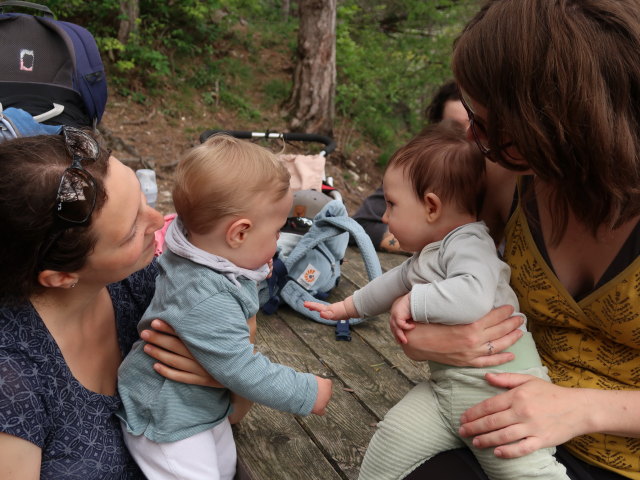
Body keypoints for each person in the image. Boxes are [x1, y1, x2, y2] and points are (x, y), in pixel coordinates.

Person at [399, 1, 640, 479]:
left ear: (571, 126)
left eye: (492, 127)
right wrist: (423, 335)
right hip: (505, 426)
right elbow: (436, 264)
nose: (473, 136)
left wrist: (580, 409)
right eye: (473, 115)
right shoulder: (507, 177)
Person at [306, 121, 568, 479]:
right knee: (391, 440)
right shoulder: (428, 255)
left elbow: (472, 297)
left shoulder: (470, 243)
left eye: (392, 205)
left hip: (500, 400)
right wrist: (345, 308)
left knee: (527, 472)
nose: (383, 217)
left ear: (431, 206)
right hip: (445, 392)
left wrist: (413, 301)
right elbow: (388, 285)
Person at [0, 129, 218, 479]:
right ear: (60, 277)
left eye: (143, 201)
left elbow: (234, 406)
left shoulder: (140, 284)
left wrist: (222, 377)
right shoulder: (12, 383)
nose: (158, 220)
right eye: (131, 231)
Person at [117, 134, 333, 480]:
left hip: (199, 407)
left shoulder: (204, 248)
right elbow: (242, 370)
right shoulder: (206, 294)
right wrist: (306, 392)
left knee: (227, 468)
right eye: (277, 231)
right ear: (238, 233)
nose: (278, 241)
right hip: (169, 420)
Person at [351, 80, 469, 254]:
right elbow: (360, 225)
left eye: (474, 123)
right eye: (455, 127)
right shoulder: (422, 170)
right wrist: (422, 247)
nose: (469, 135)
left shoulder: (505, 178)